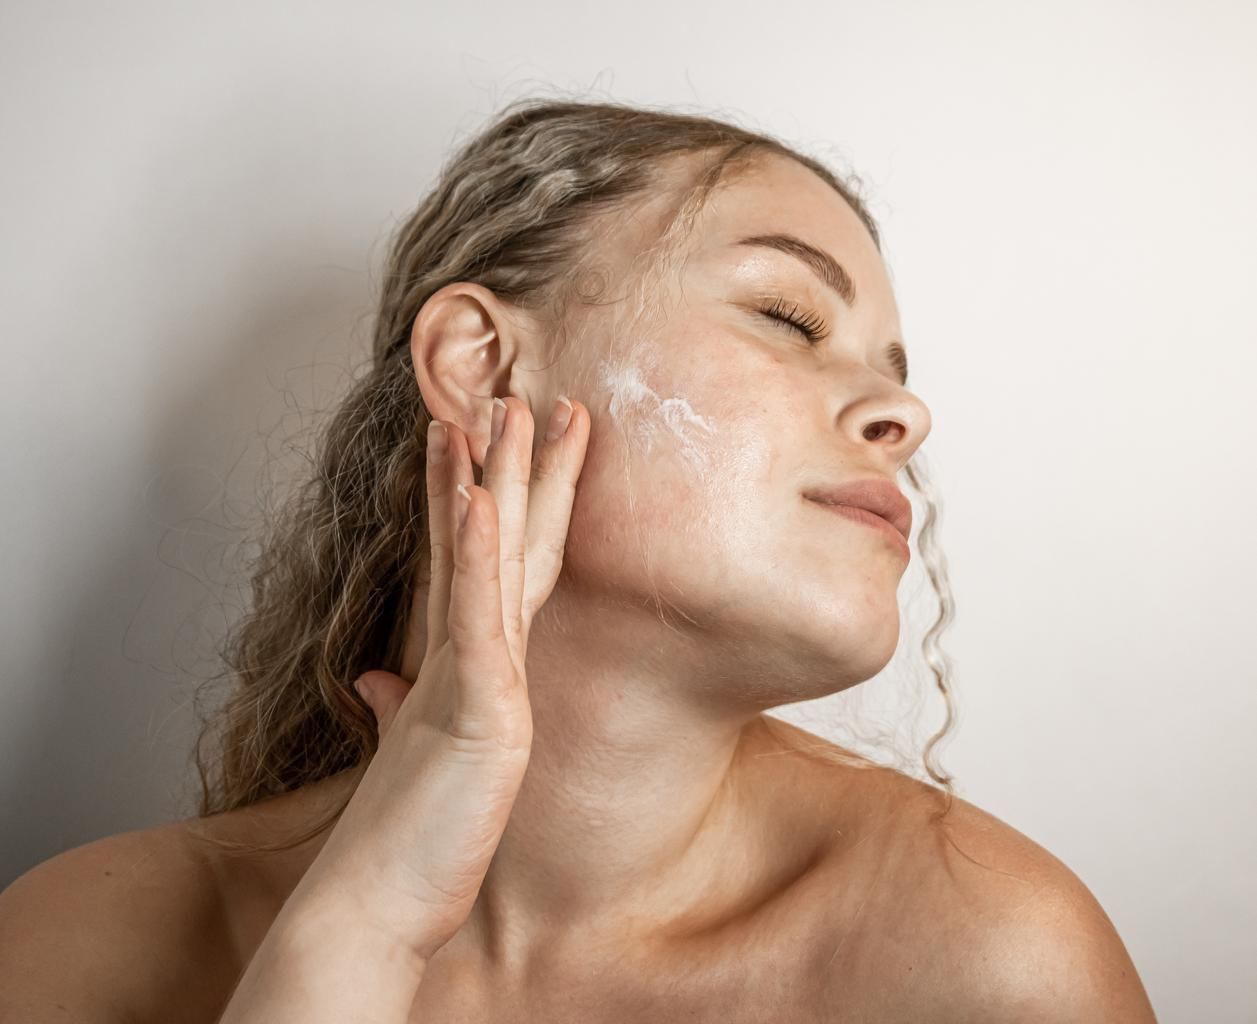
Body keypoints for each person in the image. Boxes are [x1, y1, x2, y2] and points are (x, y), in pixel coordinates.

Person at [0, 97, 1157, 1022]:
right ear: (485, 365)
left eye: (891, 364)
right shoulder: (88, 945)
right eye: (788, 316)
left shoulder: (988, 960)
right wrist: (367, 919)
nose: (902, 410)